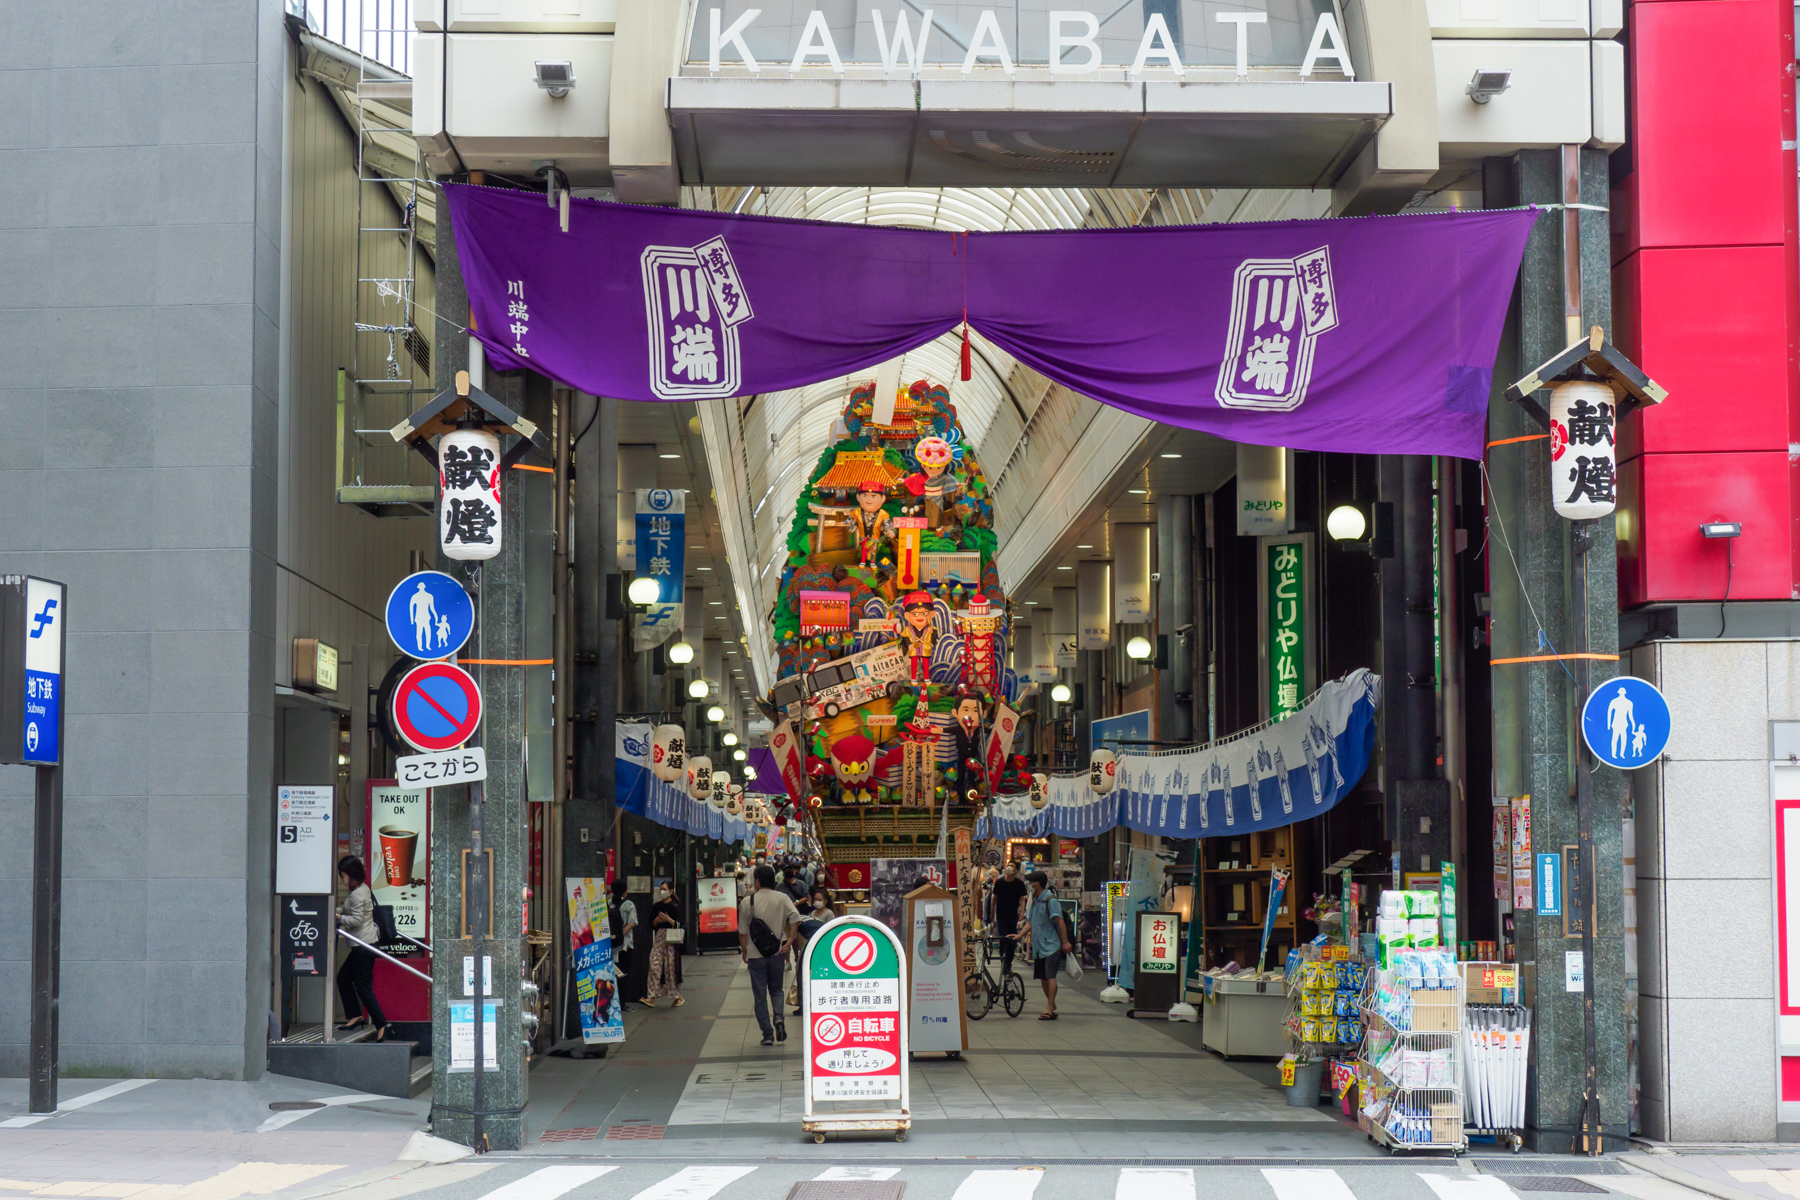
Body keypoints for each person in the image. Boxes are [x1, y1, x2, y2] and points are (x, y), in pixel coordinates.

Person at [740, 863, 802, 1046]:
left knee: (759, 995)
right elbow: (796, 918)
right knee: (776, 990)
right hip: (777, 952)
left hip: (755, 954)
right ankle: (779, 1019)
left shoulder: (747, 902)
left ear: (757, 881)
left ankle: (767, 1034)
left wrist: (745, 951)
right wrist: (790, 939)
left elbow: (742, 932)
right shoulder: (782, 898)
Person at [334, 856, 388, 1040]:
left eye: (343, 876)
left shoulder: (357, 894)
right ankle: (355, 1015)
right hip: (364, 945)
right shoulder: (362, 889)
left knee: (363, 987)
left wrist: (339, 918)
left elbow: (356, 921)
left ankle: (382, 1024)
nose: (342, 880)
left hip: (363, 946)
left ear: (350, 875)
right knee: (343, 978)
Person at [1015, 871, 1071, 1020]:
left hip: (1052, 945)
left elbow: (1060, 922)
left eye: (1030, 882)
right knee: (1043, 977)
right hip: (1039, 947)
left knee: (1050, 976)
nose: (1028, 885)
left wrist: (1065, 942)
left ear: (1036, 884)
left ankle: (1049, 1008)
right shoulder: (1034, 900)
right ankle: (1051, 1004)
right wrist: (1020, 935)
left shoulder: (1050, 900)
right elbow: (1030, 922)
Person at [644, 881, 684, 1007]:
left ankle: (677, 996)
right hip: (660, 936)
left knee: (670, 968)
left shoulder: (674, 906)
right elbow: (651, 924)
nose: (662, 891)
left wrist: (668, 920)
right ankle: (651, 996)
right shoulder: (656, 906)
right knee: (654, 964)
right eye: (661, 889)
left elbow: (679, 924)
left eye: (664, 889)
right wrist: (657, 921)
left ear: (671, 891)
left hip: (672, 939)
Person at [991, 861, 1028, 978]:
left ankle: (1008, 964)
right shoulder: (999, 883)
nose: (1009, 868)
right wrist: (991, 912)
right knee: (1003, 938)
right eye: (1008, 865)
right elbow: (994, 898)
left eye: (1012, 866)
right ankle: (1003, 960)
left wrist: (1022, 911)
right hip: (1001, 915)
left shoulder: (1019, 884)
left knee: (1011, 940)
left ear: (1016, 871)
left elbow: (1022, 899)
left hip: (1013, 916)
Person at [610, 878, 640, 1008]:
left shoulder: (607, 902)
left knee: (611, 973)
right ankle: (621, 1003)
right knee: (624, 973)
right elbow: (632, 922)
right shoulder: (629, 905)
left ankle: (610, 1000)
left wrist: (613, 937)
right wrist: (620, 935)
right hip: (625, 945)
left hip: (610, 945)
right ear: (625, 891)